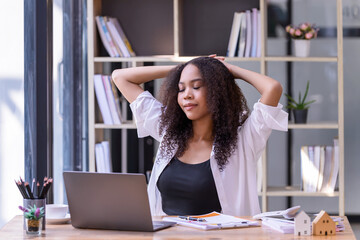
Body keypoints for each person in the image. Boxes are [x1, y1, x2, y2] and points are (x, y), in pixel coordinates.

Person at [112, 55, 288, 217]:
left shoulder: (244, 139)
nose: (187, 95)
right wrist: (184, 68)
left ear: (217, 91)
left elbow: (272, 88)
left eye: (196, 86)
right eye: (181, 89)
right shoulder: (169, 132)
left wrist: (229, 71)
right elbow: (121, 77)